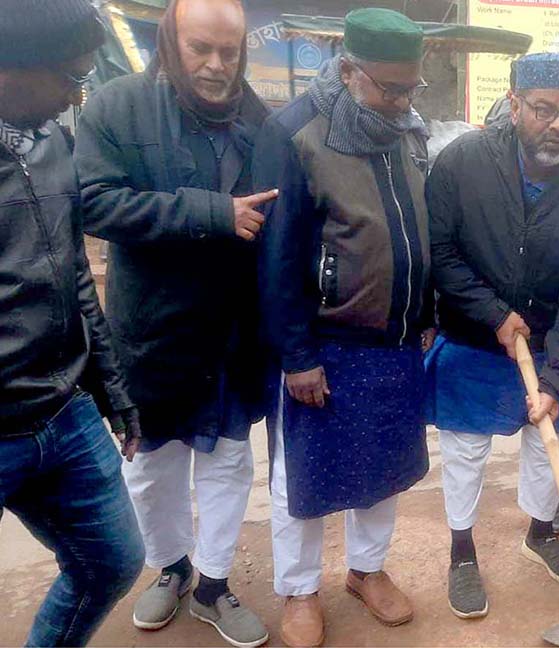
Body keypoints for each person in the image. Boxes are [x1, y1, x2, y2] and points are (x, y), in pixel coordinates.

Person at [74, 0, 272, 645]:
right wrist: (214, 213)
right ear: (169, 42)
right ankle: (173, 568)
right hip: (152, 334)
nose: (218, 66)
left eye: (230, 51)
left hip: (232, 337)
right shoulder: (116, 106)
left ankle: (214, 584)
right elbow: (97, 204)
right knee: (150, 466)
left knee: (228, 463)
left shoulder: (259, 119)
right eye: (200, 50)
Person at [254, 9, 433, 646]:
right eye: (390, 88)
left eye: (412, 88)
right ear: (350, 72)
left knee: (382, 468)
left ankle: (367, 570)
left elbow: (416, 230)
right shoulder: (297, 132)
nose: (402, 101)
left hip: (394, 341)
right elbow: (277, 257)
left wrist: (425, 316)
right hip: (324, 347)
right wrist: (297, 354)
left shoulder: (408, 131)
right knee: (300, 476)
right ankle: (299, 589)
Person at [426, 53, 559, 618]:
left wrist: (556, 376)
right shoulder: (463, 163)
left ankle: (540, 533)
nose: (558, 124)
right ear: (514, 103)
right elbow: (440, 250)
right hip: (474, 339)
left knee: (549, 445)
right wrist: (492, 313)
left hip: (552, 345)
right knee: (465, 451)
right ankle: (462, 552)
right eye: (543, 110)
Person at [0, 2, 145, 644]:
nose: (72, 98)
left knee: (112, 561)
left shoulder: (53, 142)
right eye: (69, 79)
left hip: (64, 410)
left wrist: (112, 392)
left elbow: (75, 276)